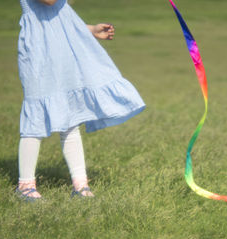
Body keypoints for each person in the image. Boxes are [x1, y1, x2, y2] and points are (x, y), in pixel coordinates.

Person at [15, 0, 145, 201]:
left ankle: (80, 184)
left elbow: (59, 13)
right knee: (36, 119)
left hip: (64, 50)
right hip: (40, 53)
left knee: (71, 120)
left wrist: (90, 30)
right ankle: (25, 185)